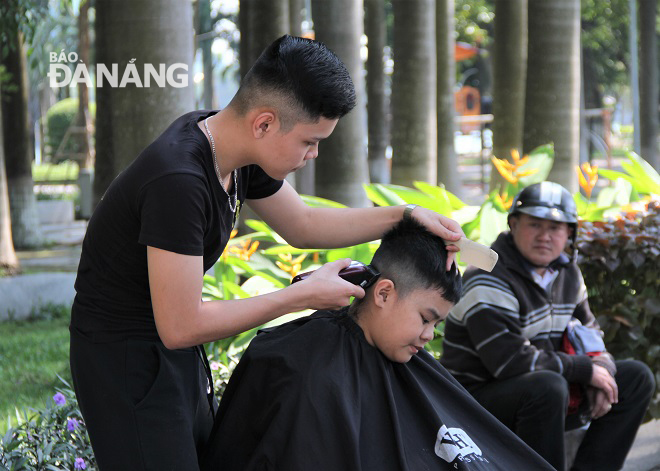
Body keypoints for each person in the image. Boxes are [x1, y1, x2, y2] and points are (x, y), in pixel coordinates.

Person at [69, 35, 465, 469]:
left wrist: (405, 215)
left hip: (171, 347)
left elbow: (303, 225)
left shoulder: (235, 152)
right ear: (264, 124)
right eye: (309, 142)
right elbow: (181, 325)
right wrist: (302, 295)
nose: (313, 155)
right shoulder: (178, 182)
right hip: (125, 359)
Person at [200, 218, 554, 470]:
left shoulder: (398, 358)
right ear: (384, 293)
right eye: (425, 318)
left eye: (436, 324)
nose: (429, 335)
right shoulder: (305, 369)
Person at [440, 182, 655, 471]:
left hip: (542, 388)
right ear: (513, 225)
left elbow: (590, 334)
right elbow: (510, 363)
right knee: (547, 387)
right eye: (534, 225)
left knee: (635, 378)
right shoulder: (488, 277)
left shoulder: (567, 273)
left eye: (555, 228)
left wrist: (602, 371)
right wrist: (585, 370)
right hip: (476, 403)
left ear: (569, 233)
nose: (545, 236)